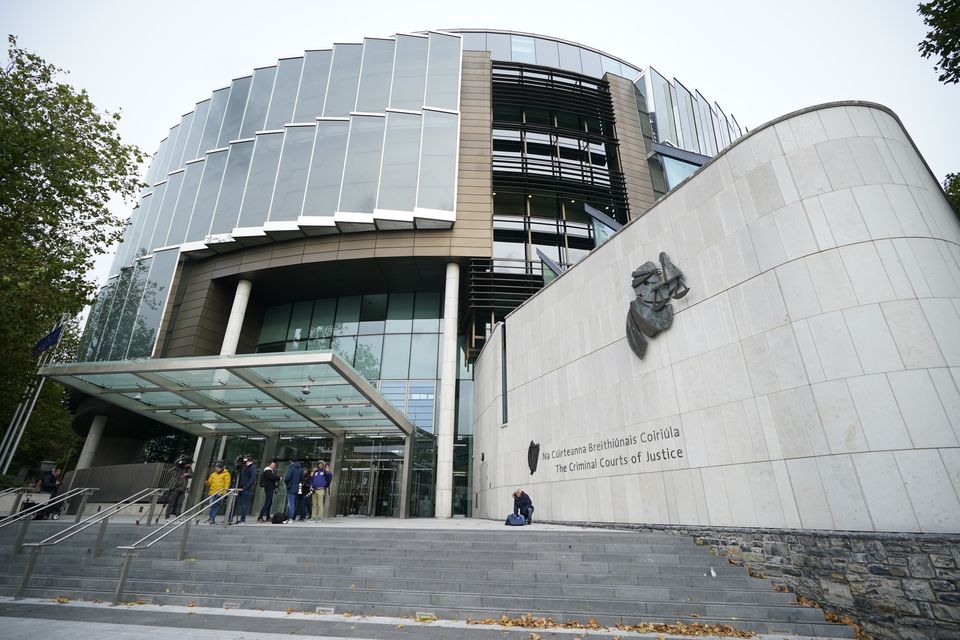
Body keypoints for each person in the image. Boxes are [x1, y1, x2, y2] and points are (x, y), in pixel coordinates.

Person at [234, 453, 258, 524]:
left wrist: (247, 486)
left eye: (245, 458)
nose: (244, 459)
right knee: (236, 502)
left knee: (244, 503)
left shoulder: (253, 467)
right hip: (240, 486)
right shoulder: (243, 466)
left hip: (245, 488)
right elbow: (237, 468)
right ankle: (230, 517)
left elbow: (253, 478)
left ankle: (242, 519)